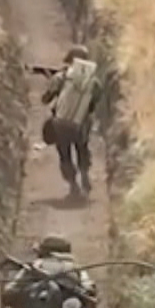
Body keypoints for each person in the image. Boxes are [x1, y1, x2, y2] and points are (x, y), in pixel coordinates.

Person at [41, 44, 101, 197]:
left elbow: (46, 99)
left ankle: (73, 186)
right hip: (82, 123)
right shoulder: (93, 81)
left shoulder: (61, 77)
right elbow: (95, 100)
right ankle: (85, 177)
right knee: (82, 149)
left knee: (64, 154)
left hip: (61, 123)